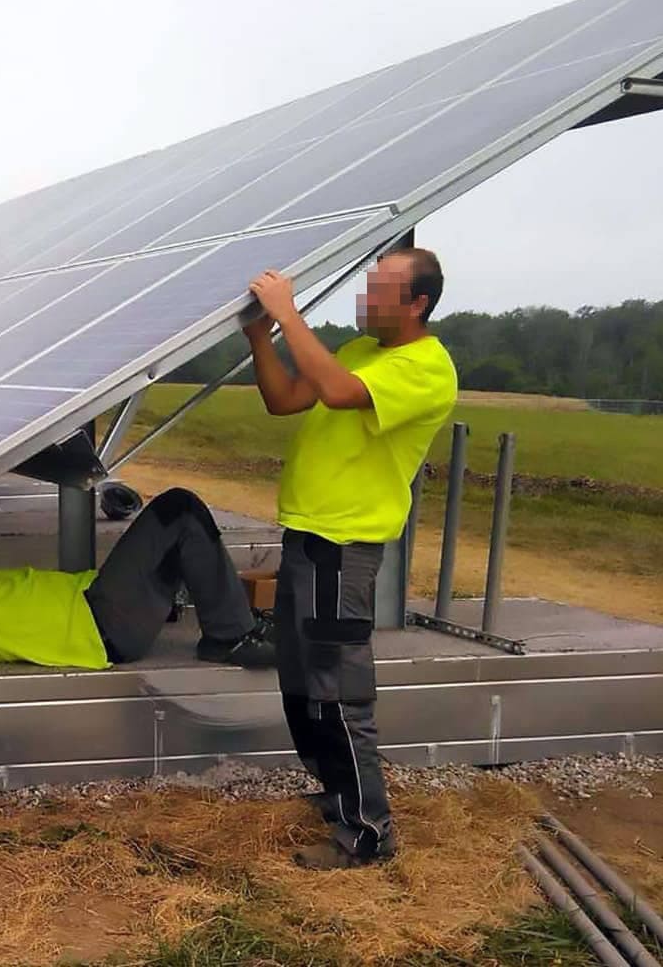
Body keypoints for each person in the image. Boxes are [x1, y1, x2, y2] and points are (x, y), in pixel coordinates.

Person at [242, 245, 458, 870]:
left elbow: (336, 393)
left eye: (382, 289)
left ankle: (368, 832)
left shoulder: (426, 367)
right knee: (299, 681)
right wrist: (260, 337)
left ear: (418, 303)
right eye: (369, 285)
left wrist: (288, 315)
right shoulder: (363, 349)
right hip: (308, 536)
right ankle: (337, 791)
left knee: (338, 690)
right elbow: (285, 399)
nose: (367, 298)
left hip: (343, 547)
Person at [0, 487, 274, 669]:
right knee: (179, 510)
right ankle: (230, 637)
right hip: (104, 624)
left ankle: (229, 618)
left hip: (98, 602)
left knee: (173, 540)